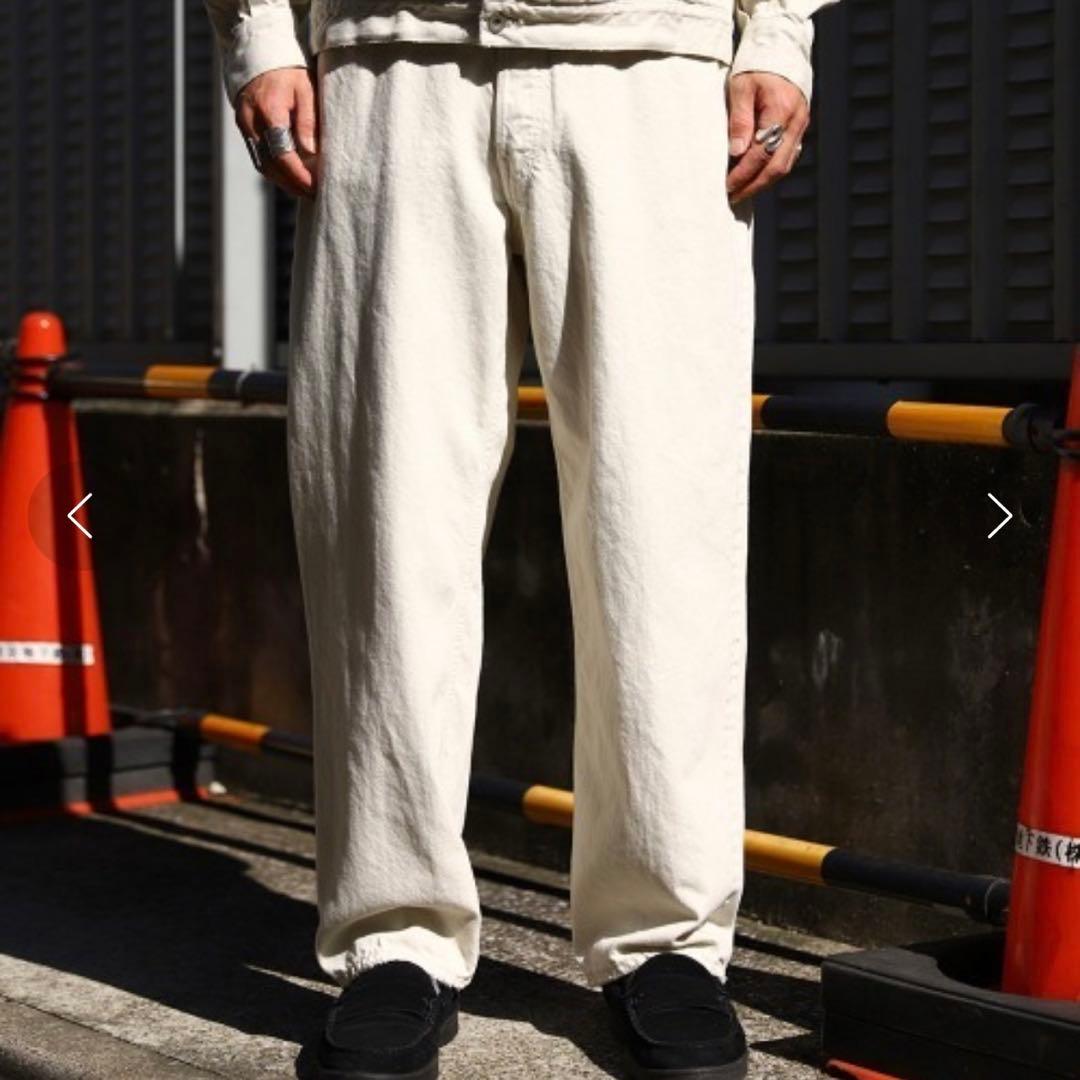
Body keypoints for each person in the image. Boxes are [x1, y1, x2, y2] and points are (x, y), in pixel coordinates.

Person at [204, 2, 838, 1077]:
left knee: (663, 528)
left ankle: (667, 937)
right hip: (392, 65)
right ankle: (393, 933)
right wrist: (259, 35)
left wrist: (777, 32)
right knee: (385, 529)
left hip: (650, 65)